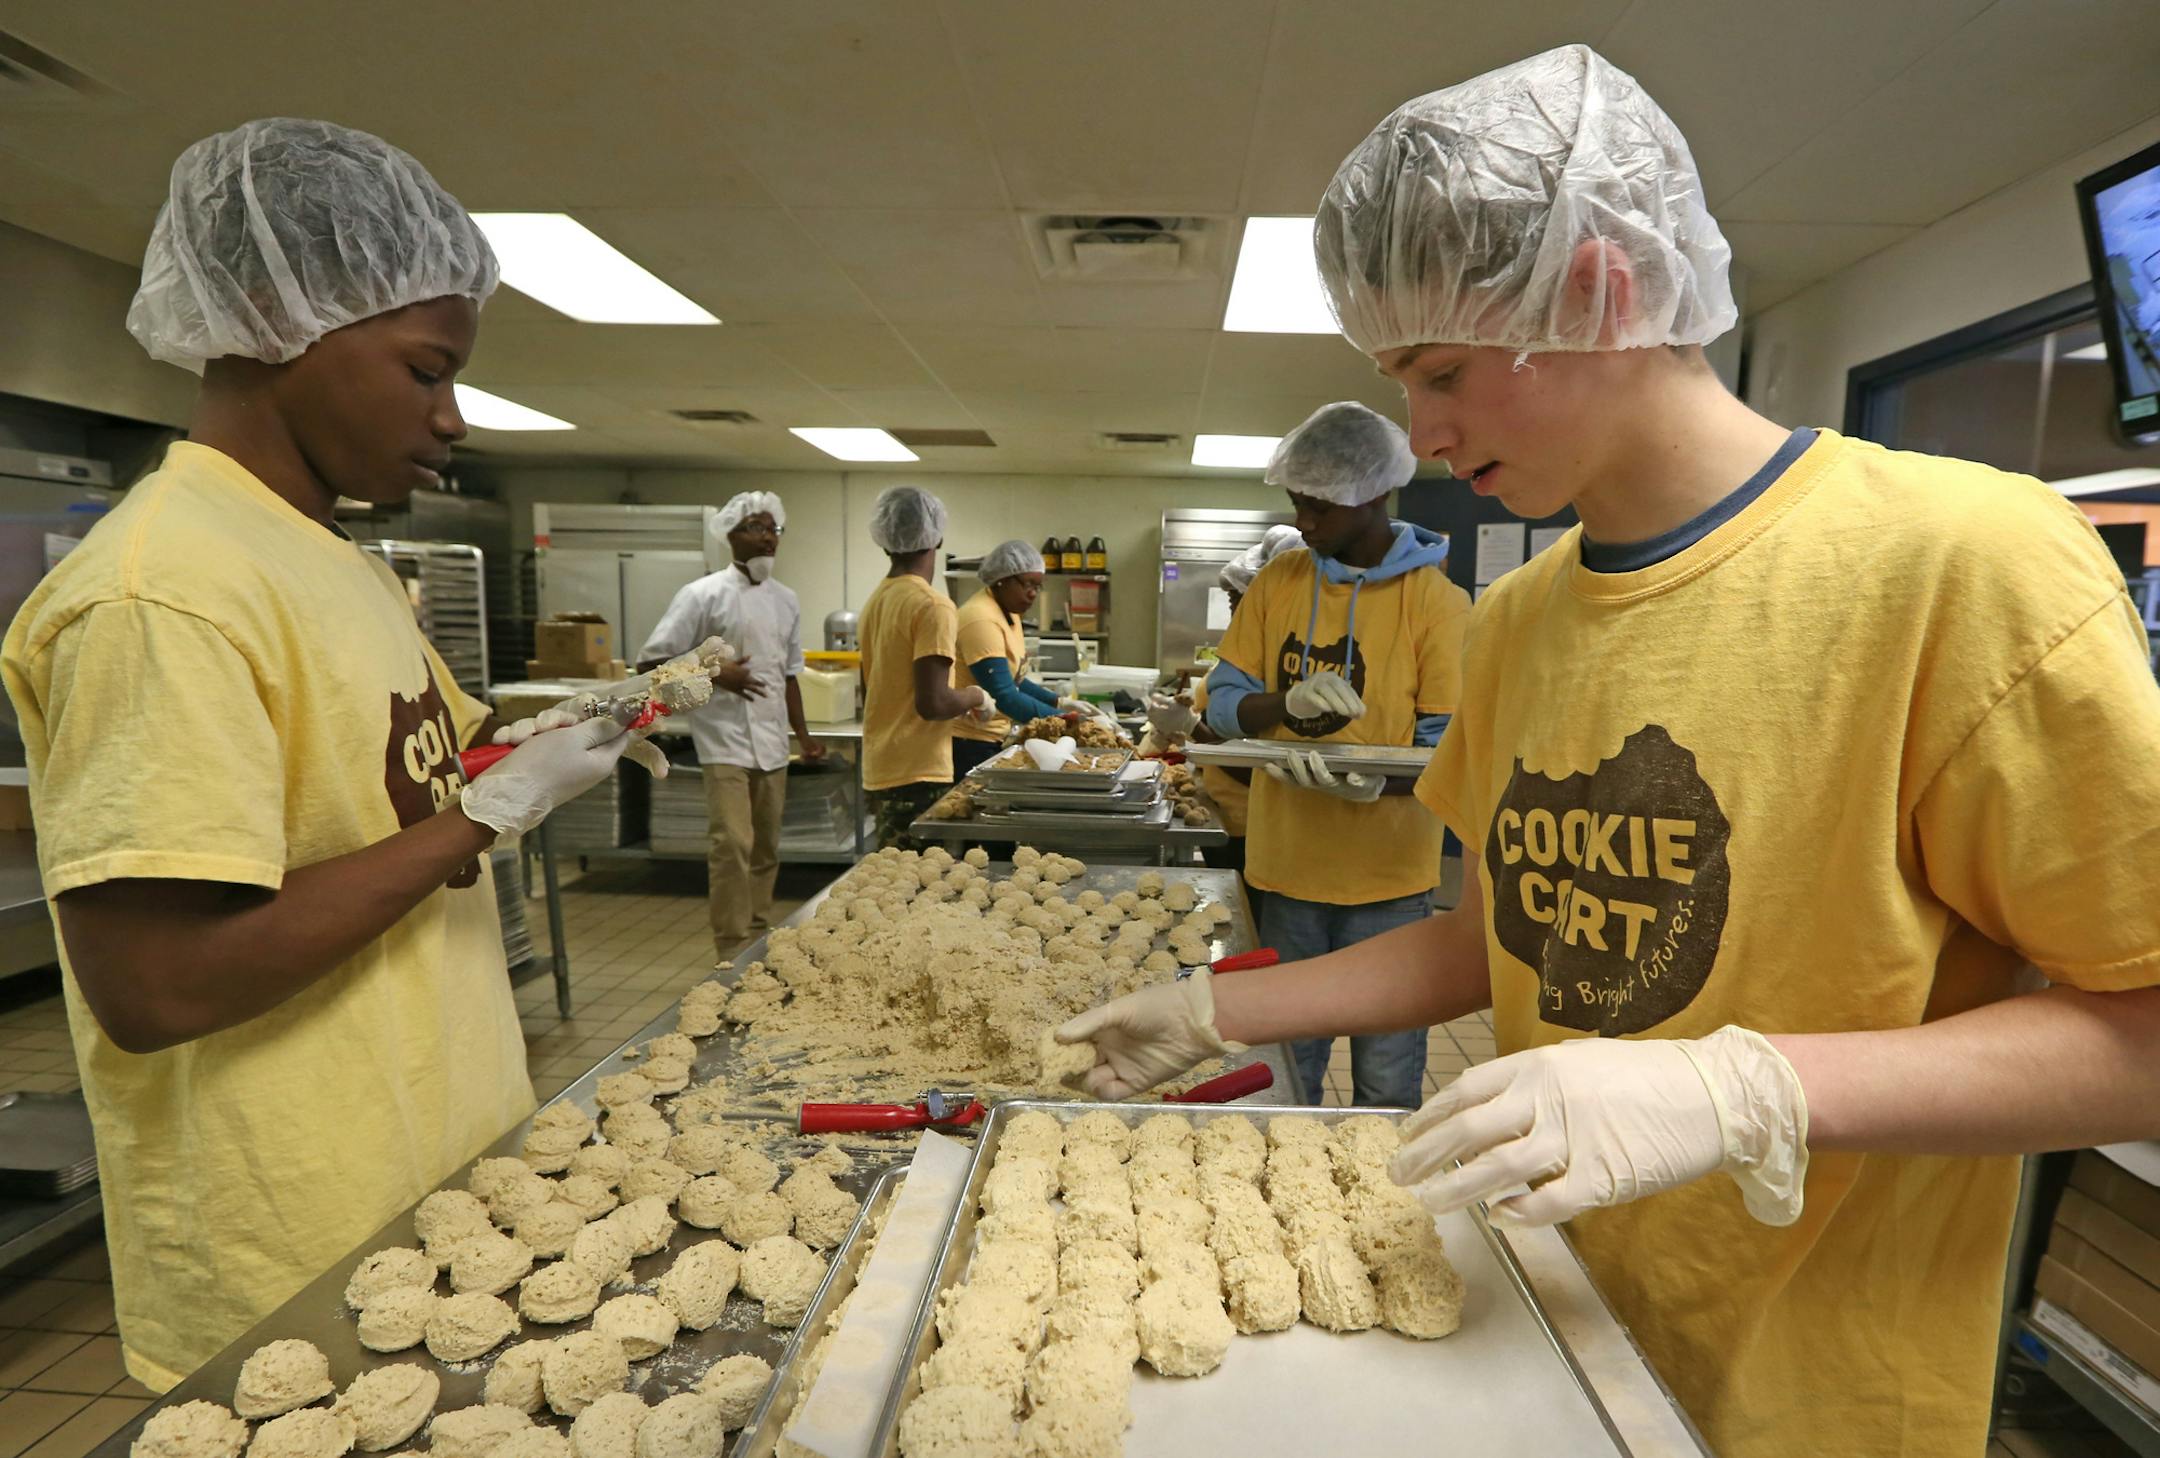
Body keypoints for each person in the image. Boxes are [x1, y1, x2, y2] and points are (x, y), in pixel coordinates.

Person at [1057, 45, 2160, 1458]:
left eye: (1444, 370)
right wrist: (1224, 1010)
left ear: (1598, 286)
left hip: (1808, 1390)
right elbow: (1488, 939)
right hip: (1547, 1328)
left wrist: (1741, 1086)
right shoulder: (1520, 620)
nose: (1425, 435)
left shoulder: (1960, 565)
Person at [0, 119, 641, 1389]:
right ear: (265, 320)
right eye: (424, 369)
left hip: (434, 1179)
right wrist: (491, 812)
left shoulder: (333, 561)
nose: (455, 418)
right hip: (291, 1254)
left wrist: (548, 738)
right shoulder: (162, 593)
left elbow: (417, 766)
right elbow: (159, 985)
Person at [1199, 401, 1470, 1109]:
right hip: (1287, 875)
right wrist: (1283, 707)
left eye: (1320, 507)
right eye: (1298, 505)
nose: (1306, 522)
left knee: (1385, 1082)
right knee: (1289, 1076)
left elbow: (1447, 755)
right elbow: (1223, 705)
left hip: (1389, 886)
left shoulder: (1436, 605)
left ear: (1374, 494)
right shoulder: (1279, 584)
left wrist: (1367, 782)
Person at [638, 491, 823, 956]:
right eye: (755, 528)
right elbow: (651, 660)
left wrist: (803, 736)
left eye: (772, 529)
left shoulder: (786, 599)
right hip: (722, 740)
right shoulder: (702, 595)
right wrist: (718, 673)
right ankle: (729, 945)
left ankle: (757, 935)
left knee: (765, 847)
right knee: (732, 844)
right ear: (730, 535)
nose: (767, 538)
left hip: (772, 741)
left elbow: (790, 673)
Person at [858, 486, 987, 848]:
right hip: (918, 772)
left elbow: (872, 689)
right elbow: (932, 704)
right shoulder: (932, 605)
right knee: (918, 889)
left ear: (885, 541)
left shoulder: (878, 599)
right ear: (937, 536)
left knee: (894, 882)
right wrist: (975, 695)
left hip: (883, 764)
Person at [950, 540, 1067, 776]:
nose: (1033, 593)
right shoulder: (981, 619)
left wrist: (1058, 702)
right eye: (1027, 584)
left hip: (991, 735)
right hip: (967, 741)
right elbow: (1004, 696)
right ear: (1002, 579)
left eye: (1038, 585)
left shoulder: (1008, 614)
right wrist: (1067, 721)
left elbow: (1016, 679)